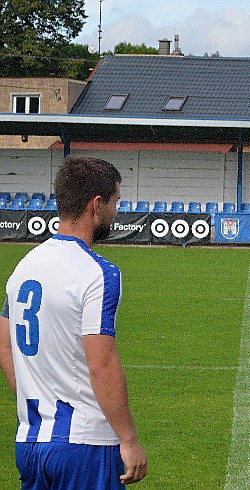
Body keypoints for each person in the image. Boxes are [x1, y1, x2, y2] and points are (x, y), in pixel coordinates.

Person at [0, 156, 148, 488]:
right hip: (84, 444)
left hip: (31, 441)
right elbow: (103, 364)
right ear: (96, 204)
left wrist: (33, 397)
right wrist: (128, 439)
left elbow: (4, 344)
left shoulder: (24, 266)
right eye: (115, 202)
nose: (116, 211)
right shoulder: (99, 272)